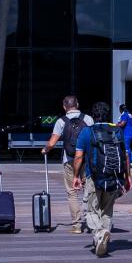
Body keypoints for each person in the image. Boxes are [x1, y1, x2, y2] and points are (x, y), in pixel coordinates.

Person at [73, 102, 132, 257]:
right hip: (113, 176)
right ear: (108, 114)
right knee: (107, 210)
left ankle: (100, 233)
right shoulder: (117, 131)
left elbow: (79, 156)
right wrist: (127, 177)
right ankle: (103, 242)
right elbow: (125, 155)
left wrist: (76, 176)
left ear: (93, 116)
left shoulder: (87, 132)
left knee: (91, 210)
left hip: (94, 177)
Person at [41, 95, 94, 234]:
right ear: (77, 104)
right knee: (88, 192)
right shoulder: (88, 119)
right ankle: (91, 222)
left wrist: (45, 150)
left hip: (69, 160)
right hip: (87, 160)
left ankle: (76, 225)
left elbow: (52, 143)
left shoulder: (61, 121)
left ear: (64, 107)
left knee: (72, 193)